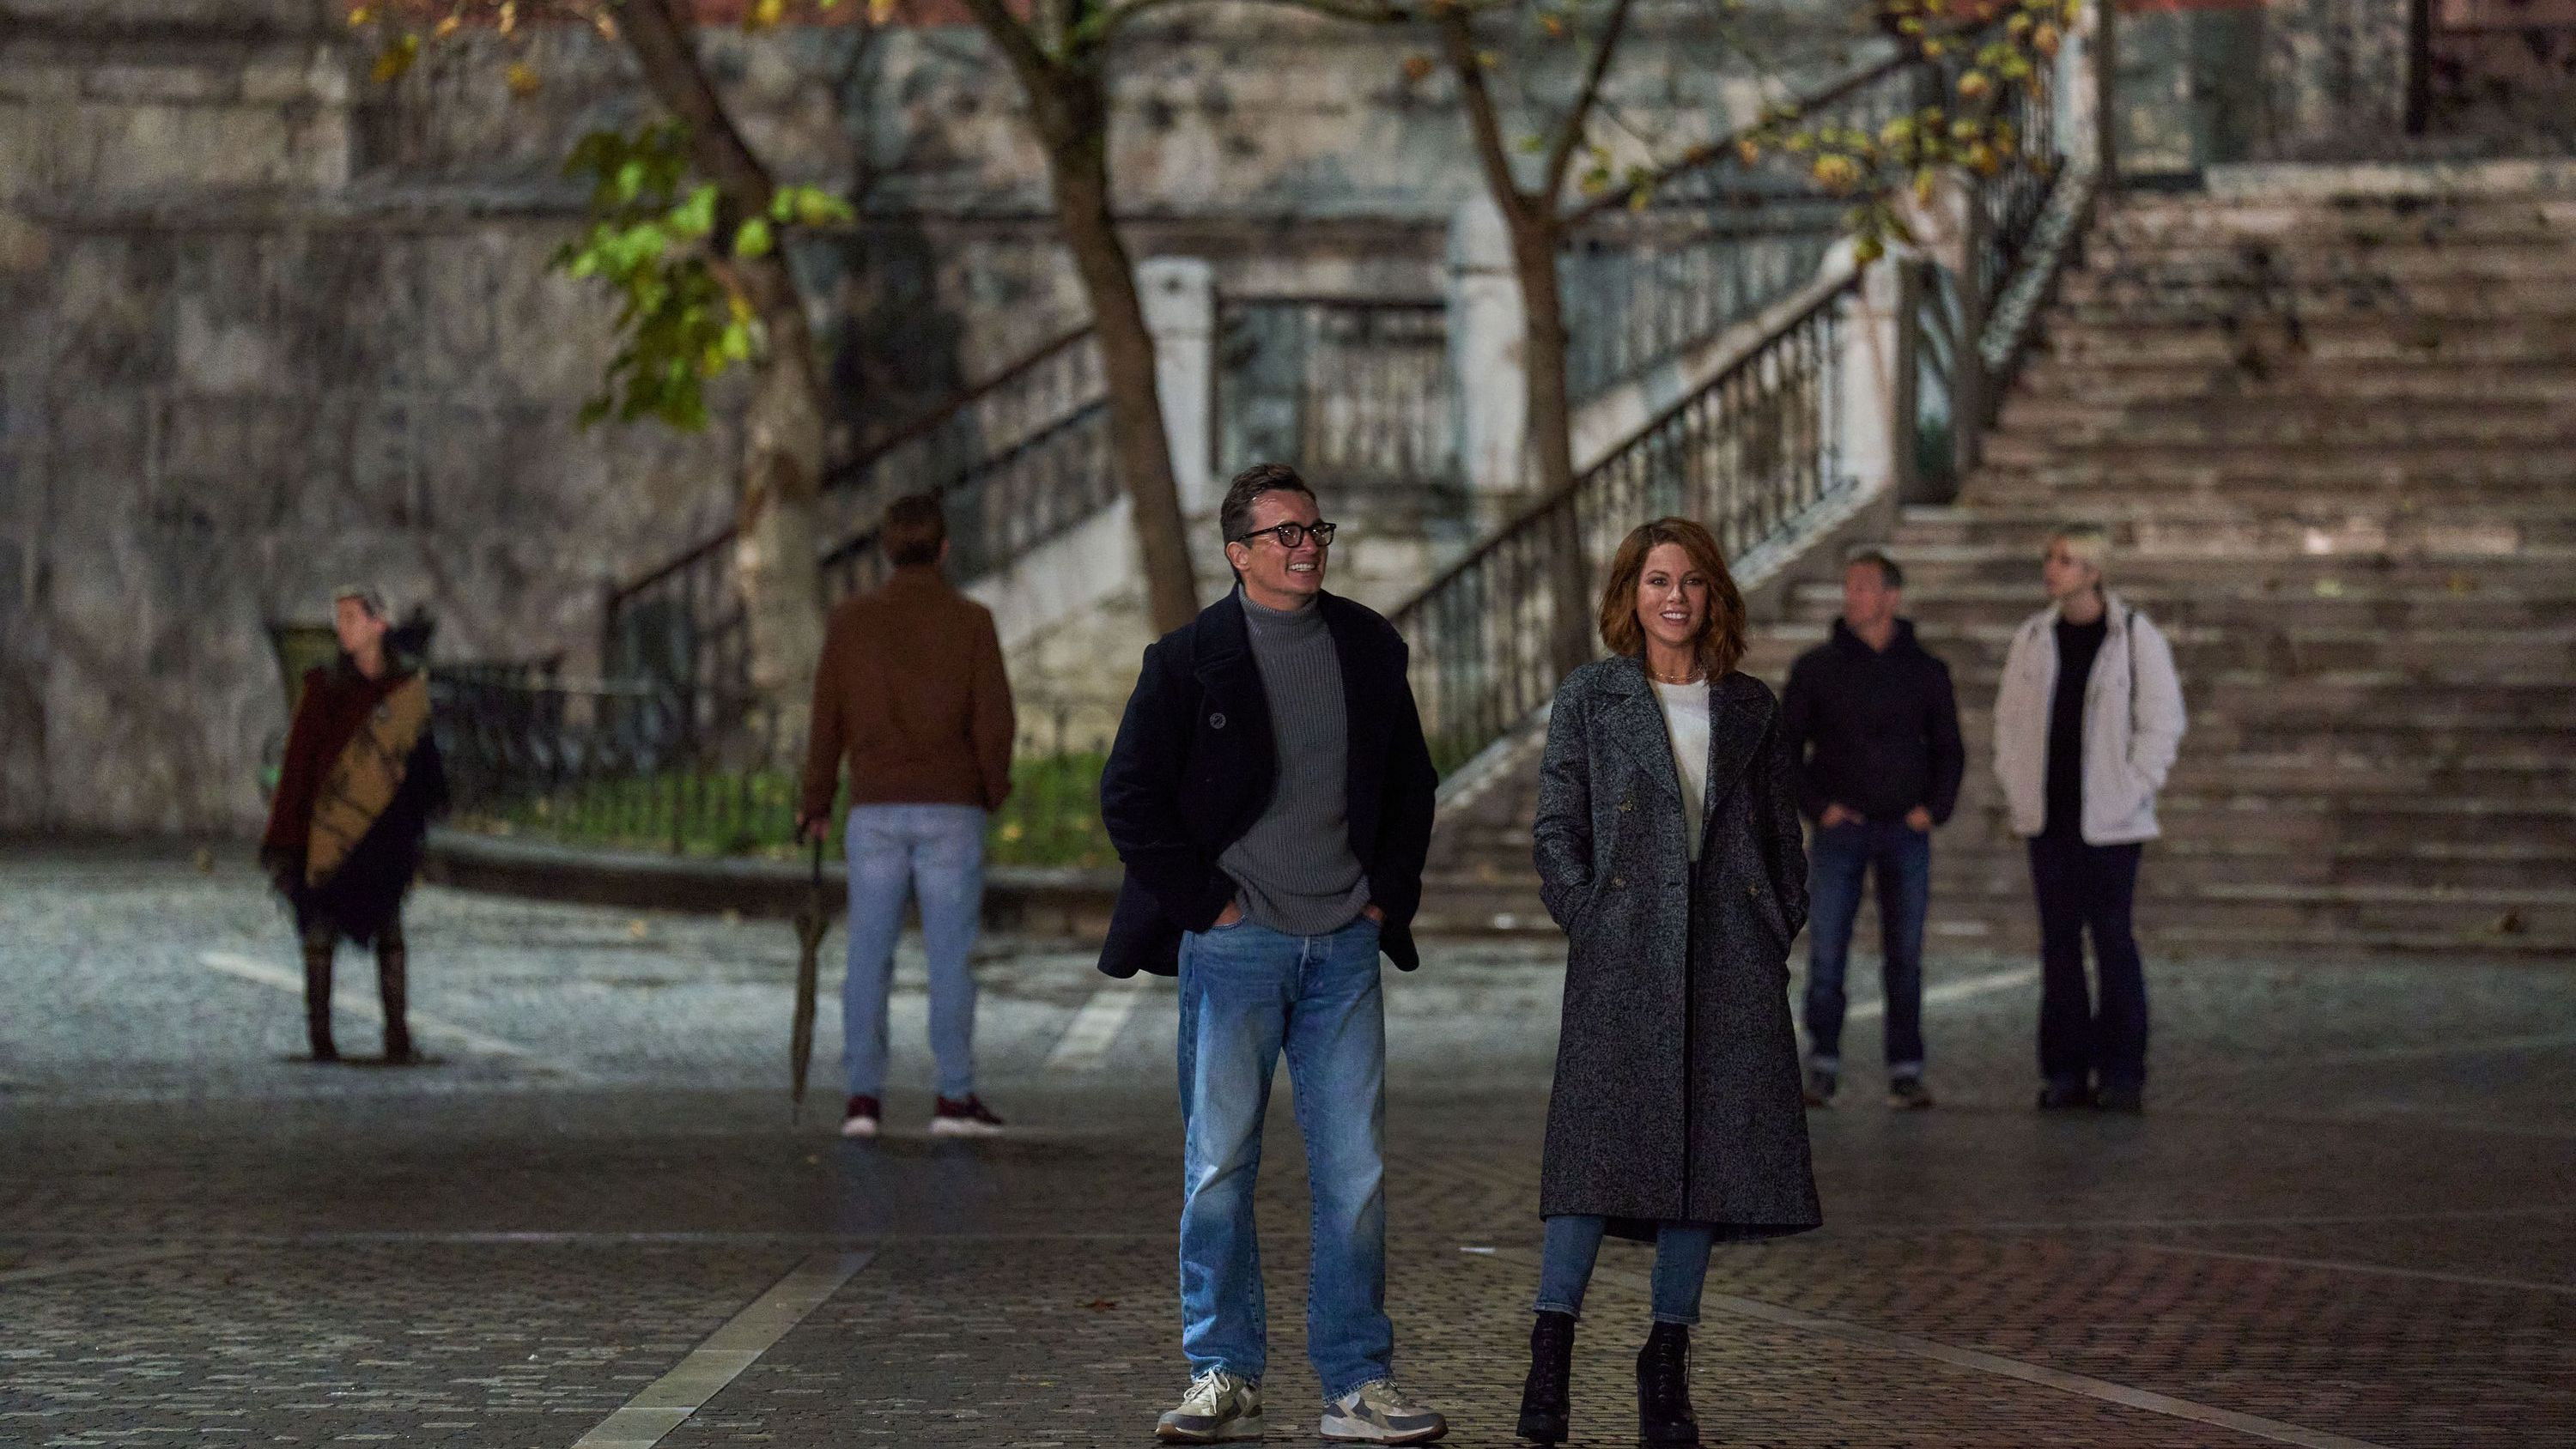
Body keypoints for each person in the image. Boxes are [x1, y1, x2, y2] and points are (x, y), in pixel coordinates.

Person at [1097, 464, 1445, 1446]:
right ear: (1238, 552)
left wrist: (1383, 896)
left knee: (1356, 1171)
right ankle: (1223, 1369)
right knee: (1219, 1165)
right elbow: (1129, 795)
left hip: (1343, 945)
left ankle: (1357, 1381)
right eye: (1285, 532)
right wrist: (1208, 903)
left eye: (1316, 530)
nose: (1307, 546)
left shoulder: (1368, 645)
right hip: (1237, 945)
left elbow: (1412, 785)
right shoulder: (1188, 659)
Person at [1520, 518, 1820, 1448]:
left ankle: (1667, 1358)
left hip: (1729, 958)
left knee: (1704, 1162)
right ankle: (1551, 1347)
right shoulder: (1593, 696)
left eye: (1690, 580)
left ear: (1713, 593)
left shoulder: (1752, 706)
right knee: (1591, 1154)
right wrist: (1588, 912)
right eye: (1657, 581)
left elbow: (1781, 834)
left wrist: (1775, 919)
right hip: (1623, 953)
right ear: (1631, 595)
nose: (1674, 597)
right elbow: (1555, 824)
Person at [798, 494, 1017, 1140]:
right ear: (944, 549)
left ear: (886, 551)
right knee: (951, 959)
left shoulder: (850, 623)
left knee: (868, 956)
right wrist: (990, 789)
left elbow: (826, 720)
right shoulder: (971, 622)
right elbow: (995, 719)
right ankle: (954, 1097)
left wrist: (816, 802)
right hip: (952, 807)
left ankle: (862, 1099)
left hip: (875, 806)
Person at [1991, 525, 2185, 1113]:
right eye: (2051, 558)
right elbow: (2009, 722)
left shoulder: (2135, 636)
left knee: (2113, 940)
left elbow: (2162, 720)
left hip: (2112, 822)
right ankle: (2064, 1072)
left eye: (2066, 560)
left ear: (2094, 572)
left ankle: (2122, 1073)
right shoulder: (2033, 637)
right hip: (2049, 818)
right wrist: (2015, 782)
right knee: (2058, 945)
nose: (2053, 569)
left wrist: (2134, 786)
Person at [1780, 548, 1965, 1110]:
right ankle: (1822, 1064)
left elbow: (1949, 749)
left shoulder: (1926, 670)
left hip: (1905, 832)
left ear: (1891, 597)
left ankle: (1906, 1068)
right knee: (1827, 953)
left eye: (1863, 587)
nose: (1851, 596)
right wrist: (1818, 807)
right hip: (1840, 832)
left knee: (1904, 956)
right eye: (1849, 586)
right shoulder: (1816, 669)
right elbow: (1786, 750)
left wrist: (1933, 808)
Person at [259, 587, 447, 1064]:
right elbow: (300, 766)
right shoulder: (325, 689)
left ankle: (397, 1035)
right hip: (330, 832)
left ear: (378, 624)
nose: (342, 628)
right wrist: (286, 840)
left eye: (351, 618)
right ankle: (320, 1038)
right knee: (320, 933)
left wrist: (414, 819)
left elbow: (423, 765)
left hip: (383, 838)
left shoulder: (402, 691)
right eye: (338, 618)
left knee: (389, 932)